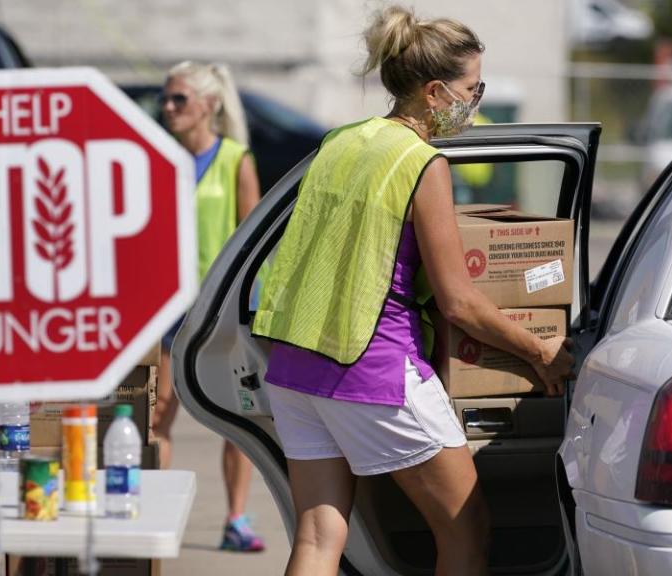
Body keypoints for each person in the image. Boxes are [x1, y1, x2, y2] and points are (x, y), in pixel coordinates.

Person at [251, 6, 576, 576]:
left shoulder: (341, 143)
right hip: (372, 368)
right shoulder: (421, 163)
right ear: (433, 92)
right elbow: (460, 302)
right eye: (472, 90)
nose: (475, 102)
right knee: (465, 529)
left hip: (296, 365)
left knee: (319, 534)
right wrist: (542, 351)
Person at [155, 61, 265, 552]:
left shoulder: (235, 159)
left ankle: (236, 519)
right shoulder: (156, 158)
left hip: (218, 312)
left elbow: (253, 241)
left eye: (179, 99)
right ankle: (153, 516)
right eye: (167, 98)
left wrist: (247, 313)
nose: (168, 107)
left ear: (208, 105)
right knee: (157, 416)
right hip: (166, 311)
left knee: (236, 417)